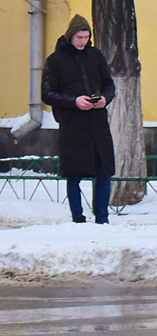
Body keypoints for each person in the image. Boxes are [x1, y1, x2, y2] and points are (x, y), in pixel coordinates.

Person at [41, 14, 117, 224]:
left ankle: (102, 218)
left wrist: (104, 98)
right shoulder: (55, 60)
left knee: (103, 172)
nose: (83, 41)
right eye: (79, 37)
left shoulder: (95, 56)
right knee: (74, 174)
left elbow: (109, 84)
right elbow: (47, 94)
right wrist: (74, 101)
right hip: (72, 126)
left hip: (98, 123)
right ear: (70, 36)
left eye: (86, 37)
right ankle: (78, 218)